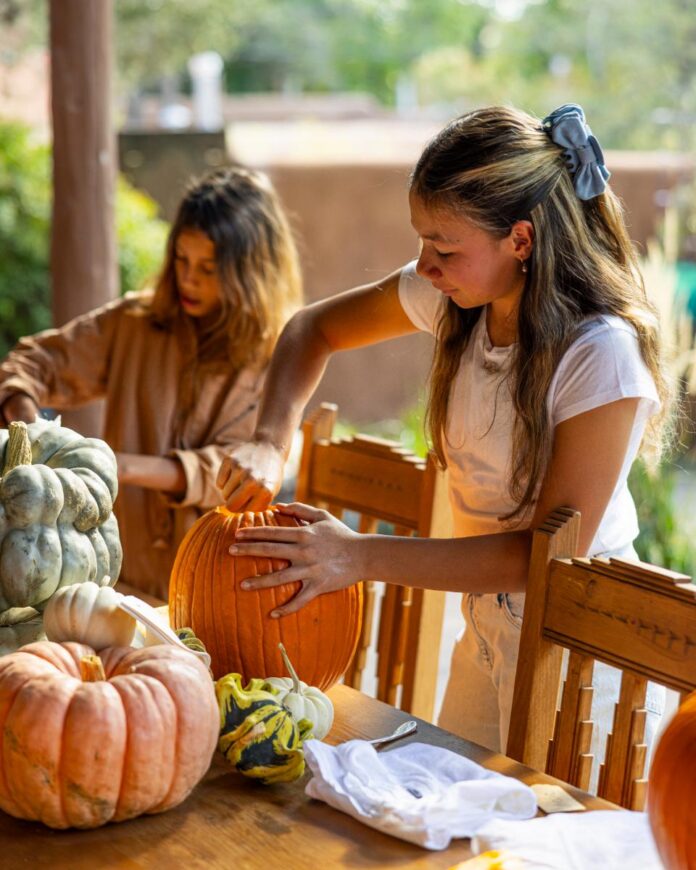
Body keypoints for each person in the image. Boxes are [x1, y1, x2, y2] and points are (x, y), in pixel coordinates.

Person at [216, 105, 672, 753]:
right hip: (484, 631)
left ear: (521, 240)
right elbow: (308, 331)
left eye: (444, 247)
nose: (425, 265)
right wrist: (268, 439)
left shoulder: (601, 355)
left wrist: (357, 554)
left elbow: (539, 557)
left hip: (582, 663)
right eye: (421, 240)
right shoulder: (459, 301)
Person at [0, 166, 302, 601]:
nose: (189, 279)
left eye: (208, 268)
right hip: (113, 585)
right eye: (181, 259)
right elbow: (32, 362)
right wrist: (30, 430)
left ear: (250, 275)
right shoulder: (135, 323)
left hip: (213, 592)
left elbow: (233, 469)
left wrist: (109, 465)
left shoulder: (275, 356)